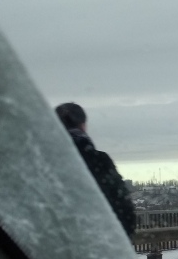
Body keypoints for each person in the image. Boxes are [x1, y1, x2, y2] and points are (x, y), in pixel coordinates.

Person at [55, 102, 136, 238]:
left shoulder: (43, 164)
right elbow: (124, 208)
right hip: (97, 239)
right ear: (83, 125)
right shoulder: (99, 161)